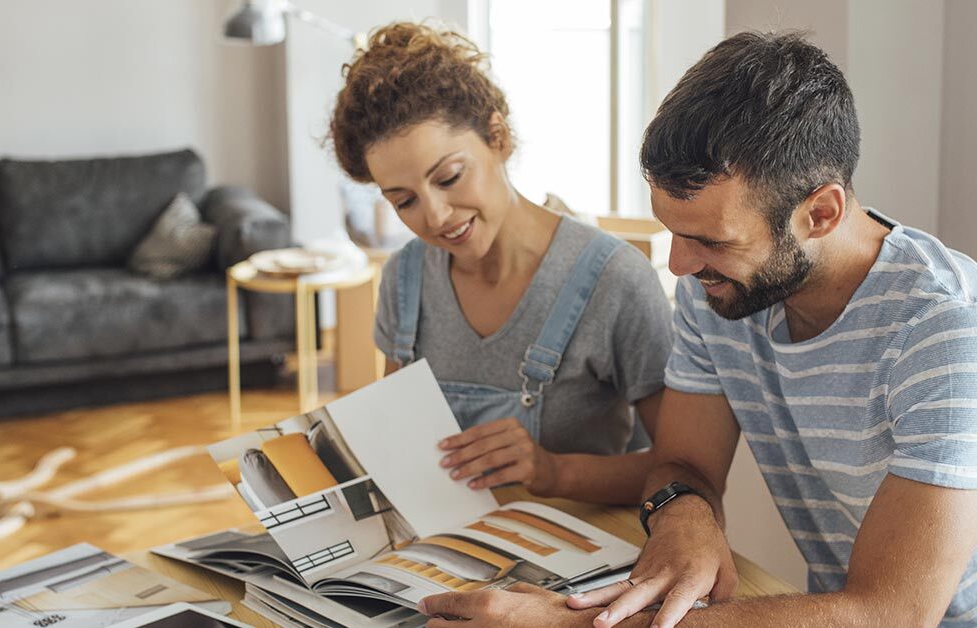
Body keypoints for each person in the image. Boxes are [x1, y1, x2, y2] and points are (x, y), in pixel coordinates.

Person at [418, 31, 977, 627]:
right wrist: (685, 513)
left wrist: (570, 624)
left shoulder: (943, 329)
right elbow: (684, 461)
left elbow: (891, 614)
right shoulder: (717, 288)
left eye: (710, 240)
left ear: (821, 213)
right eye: (674, 232)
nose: (680, 265)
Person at [329, 22, 673, 505]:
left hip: (578, 565)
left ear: (498, 137)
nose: (435, 217)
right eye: (404, 201)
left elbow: (684, 476)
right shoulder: (405, 280)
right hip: (446, 557)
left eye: (449, 177)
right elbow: (402, 447)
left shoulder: (615, 282)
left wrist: (553, 472)